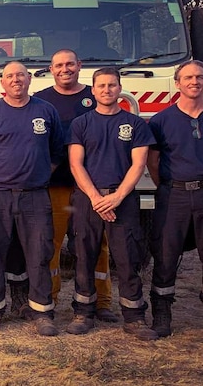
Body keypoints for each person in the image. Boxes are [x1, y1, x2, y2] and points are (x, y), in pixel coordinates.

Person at [0, 61, 64, 336]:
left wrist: (37, 175)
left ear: (29, 79)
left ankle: (41, 311)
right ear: (3, 82)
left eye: (20, 75)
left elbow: (57, 151)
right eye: (10, 76)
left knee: (38, 253)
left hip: (34, 196)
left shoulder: (46, 111)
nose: (15, 80)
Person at [66, 68, 158, 340]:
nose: (106, 90)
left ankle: (135, 317)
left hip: (123, 199)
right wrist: (96, 198)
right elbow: (75, 164)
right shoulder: (81, 124)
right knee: (84, 256)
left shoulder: (136, 124)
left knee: (128, 258)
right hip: (87, 200)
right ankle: (83, 312)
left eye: (112, 85)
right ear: (92, 91)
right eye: (101, 86)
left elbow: (138, 165)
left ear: (120, 89)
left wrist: (117, 197)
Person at [34, 49, 117, 323]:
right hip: (55, 186)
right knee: (52, 245)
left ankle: (101, 302)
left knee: (98, 245)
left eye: (70, 63)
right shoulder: (41, 101)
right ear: (51, 68)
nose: (65, 69)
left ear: (80, 65)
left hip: (92, 188)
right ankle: (51, 299)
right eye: (59, 65)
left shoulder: (95, 98)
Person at [147, 59, 203, 337]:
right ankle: (161, 312)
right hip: (174, 194)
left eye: (199, 77)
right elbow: (153, 163)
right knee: (166, 256)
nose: (194, 82)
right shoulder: (161, 120)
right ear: (177, 83)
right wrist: (169, 187)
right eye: (188, 78)